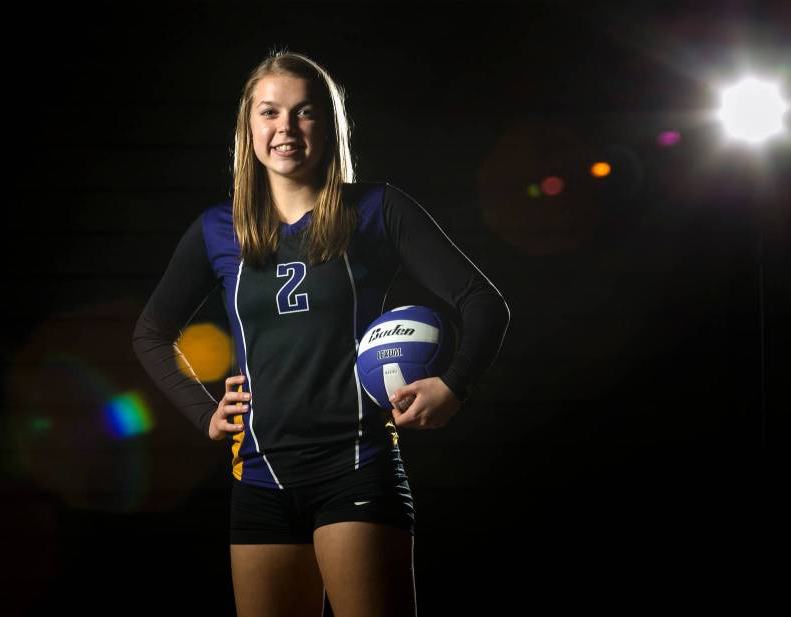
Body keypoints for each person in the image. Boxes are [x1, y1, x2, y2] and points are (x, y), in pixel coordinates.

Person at [132, 49, 510, 617]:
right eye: (270, 112)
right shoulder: (217, 229)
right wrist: (202, 410)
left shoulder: (378, 209)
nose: (286, 127)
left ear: (327, 125)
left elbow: (483, 302)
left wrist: (454, 385)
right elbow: (151, 332)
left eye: (304, 112)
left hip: (355, 469)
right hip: (260, 476)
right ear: (249, 128)